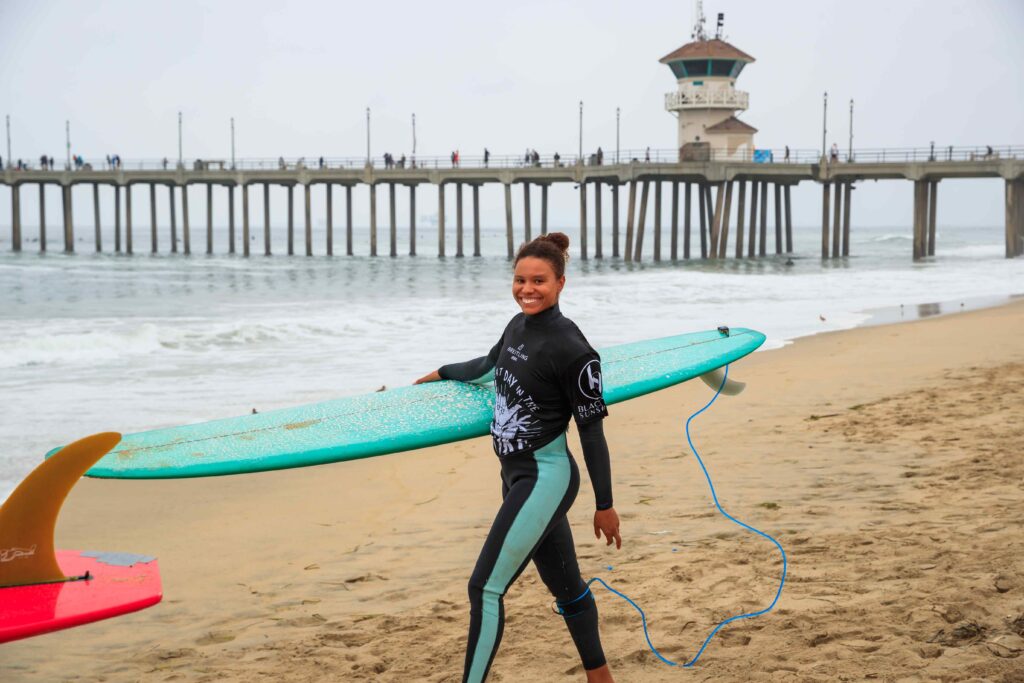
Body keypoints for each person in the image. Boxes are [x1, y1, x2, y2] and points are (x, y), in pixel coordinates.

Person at [415, 233, 619, 683]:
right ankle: (601, 678)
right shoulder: (517, 326)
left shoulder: (575, 350)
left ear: (561, 282)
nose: (527, 289)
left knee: (484, 588)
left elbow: (592, 430)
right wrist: (443, 373)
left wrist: (605, 505)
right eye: (520, 279)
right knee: (566, 588)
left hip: (546, 477)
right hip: (515, 477)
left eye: (539, 281)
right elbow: (489, 365)